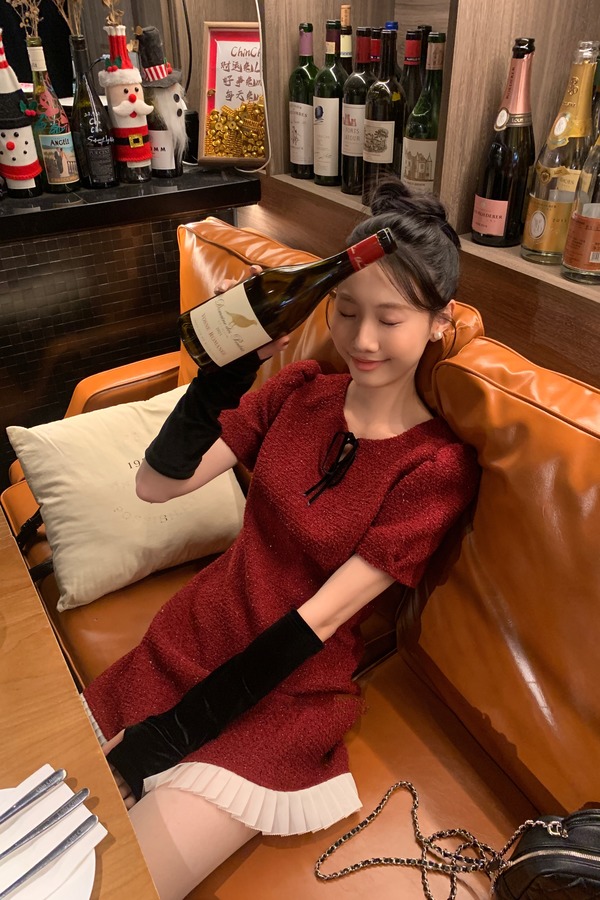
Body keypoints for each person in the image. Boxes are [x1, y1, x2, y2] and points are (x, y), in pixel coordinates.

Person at [82, 179, 480, 900]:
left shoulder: (434, 469)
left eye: (390, 319)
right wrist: (219, 380)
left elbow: (317, 622)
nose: (361, 340)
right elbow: (157, 485)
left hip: (282, 692)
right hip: (189, 639)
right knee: (36, 825)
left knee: (114, 883)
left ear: (437, 322)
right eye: (346, 311)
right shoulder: (299, 390)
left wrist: (167, 738)